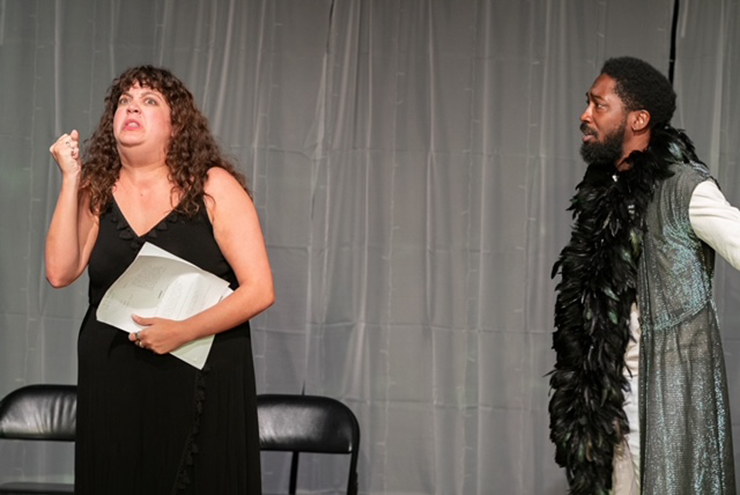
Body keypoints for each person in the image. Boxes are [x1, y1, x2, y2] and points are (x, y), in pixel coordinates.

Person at [45, 65, 274, 494]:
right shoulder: (96, 188)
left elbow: (260, 289)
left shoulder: (213, 187)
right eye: (125, 102)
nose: (133, 107)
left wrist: (182, 331)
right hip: (115, 378)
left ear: (176, 126)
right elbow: (59, 272)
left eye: (150, 101)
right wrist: (71, 180)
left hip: (199, 371)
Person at [549, 56, 740, 494]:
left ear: (638, 119)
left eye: (599, 105)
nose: (585, 114)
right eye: (588, 103)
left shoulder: (684, 188)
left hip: (667, 400)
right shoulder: (606, 189)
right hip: (609, 404)